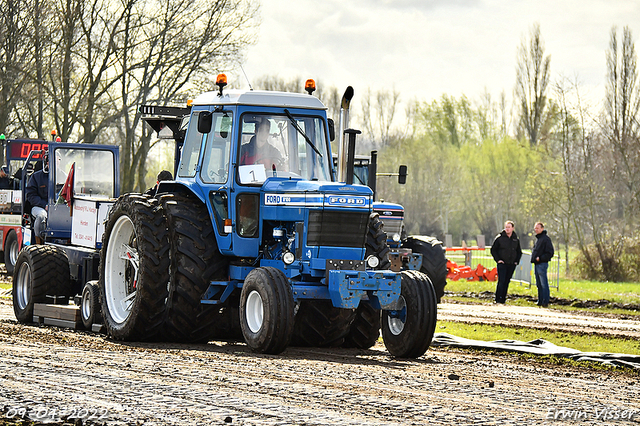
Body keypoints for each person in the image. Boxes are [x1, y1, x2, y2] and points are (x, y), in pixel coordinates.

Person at [490, 220, 522, 304]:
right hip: (502, 264)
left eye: (509, 227)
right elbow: (493, 250)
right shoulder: (500, 238)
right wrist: (498, 260)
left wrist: (516, 261)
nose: (507, 229)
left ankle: (503, 299)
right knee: (501, 281)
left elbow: (519, 251)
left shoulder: (515, 239)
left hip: (511, 264)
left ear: (512, 228)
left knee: (507, 281)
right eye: (506, 227)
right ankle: (498, 298)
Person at [25, 152, 49, 243]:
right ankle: (39, 242)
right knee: (42, 216)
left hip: (58, 208)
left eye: (58, 160)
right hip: (39, 206)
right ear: (47, 162)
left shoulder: (64, 177)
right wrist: (44, 205)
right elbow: (31, 195)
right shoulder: (37, 177)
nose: (57, 163)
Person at [531, 222, 555, 307]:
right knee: (538, 284)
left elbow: (550, 252)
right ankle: (540, 300)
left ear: (542, 228)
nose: (536, 230)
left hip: (542, 264)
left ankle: (545, 301)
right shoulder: (538, 239)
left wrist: (540, 258)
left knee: (543, 283)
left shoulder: (545, 239)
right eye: (535, 228)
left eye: (537, 228)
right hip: (537, 264)